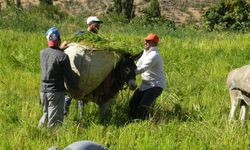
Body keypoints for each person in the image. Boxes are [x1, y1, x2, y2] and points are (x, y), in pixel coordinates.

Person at [38, 27, 80, 128]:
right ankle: (52, 140)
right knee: (55, 121)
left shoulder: (42, 53)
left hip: (43, 91)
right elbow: (69, 76)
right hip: (56, 92)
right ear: (59, 39)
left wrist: (60, 48)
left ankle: (39, 134)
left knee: (45, 115)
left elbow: (53, 56)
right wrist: (76, 90)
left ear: (48, 40)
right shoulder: (63, 56)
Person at [64, 16, 103, 116]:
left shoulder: (98, 38)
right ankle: (64, 114)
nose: (98, 25)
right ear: (90, 24)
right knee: (70, 90)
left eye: (99, 24)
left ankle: (81, 116)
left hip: (88, 68)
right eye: (96, 23)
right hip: (76, 65)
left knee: (83, 92)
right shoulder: (80, 33)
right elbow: (71, 45)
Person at [128, 33, 166, 119]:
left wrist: (127, 73)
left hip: (155, 85)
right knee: (132, 104)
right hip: (145, 84)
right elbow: (137, 66)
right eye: (145, 40)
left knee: (143, 106)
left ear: (154, 43)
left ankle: (144, 123)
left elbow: (142, 69)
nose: (145, 42)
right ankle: (132, 121)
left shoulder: (154, 55)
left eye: (148, 41)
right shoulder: (145, 53)